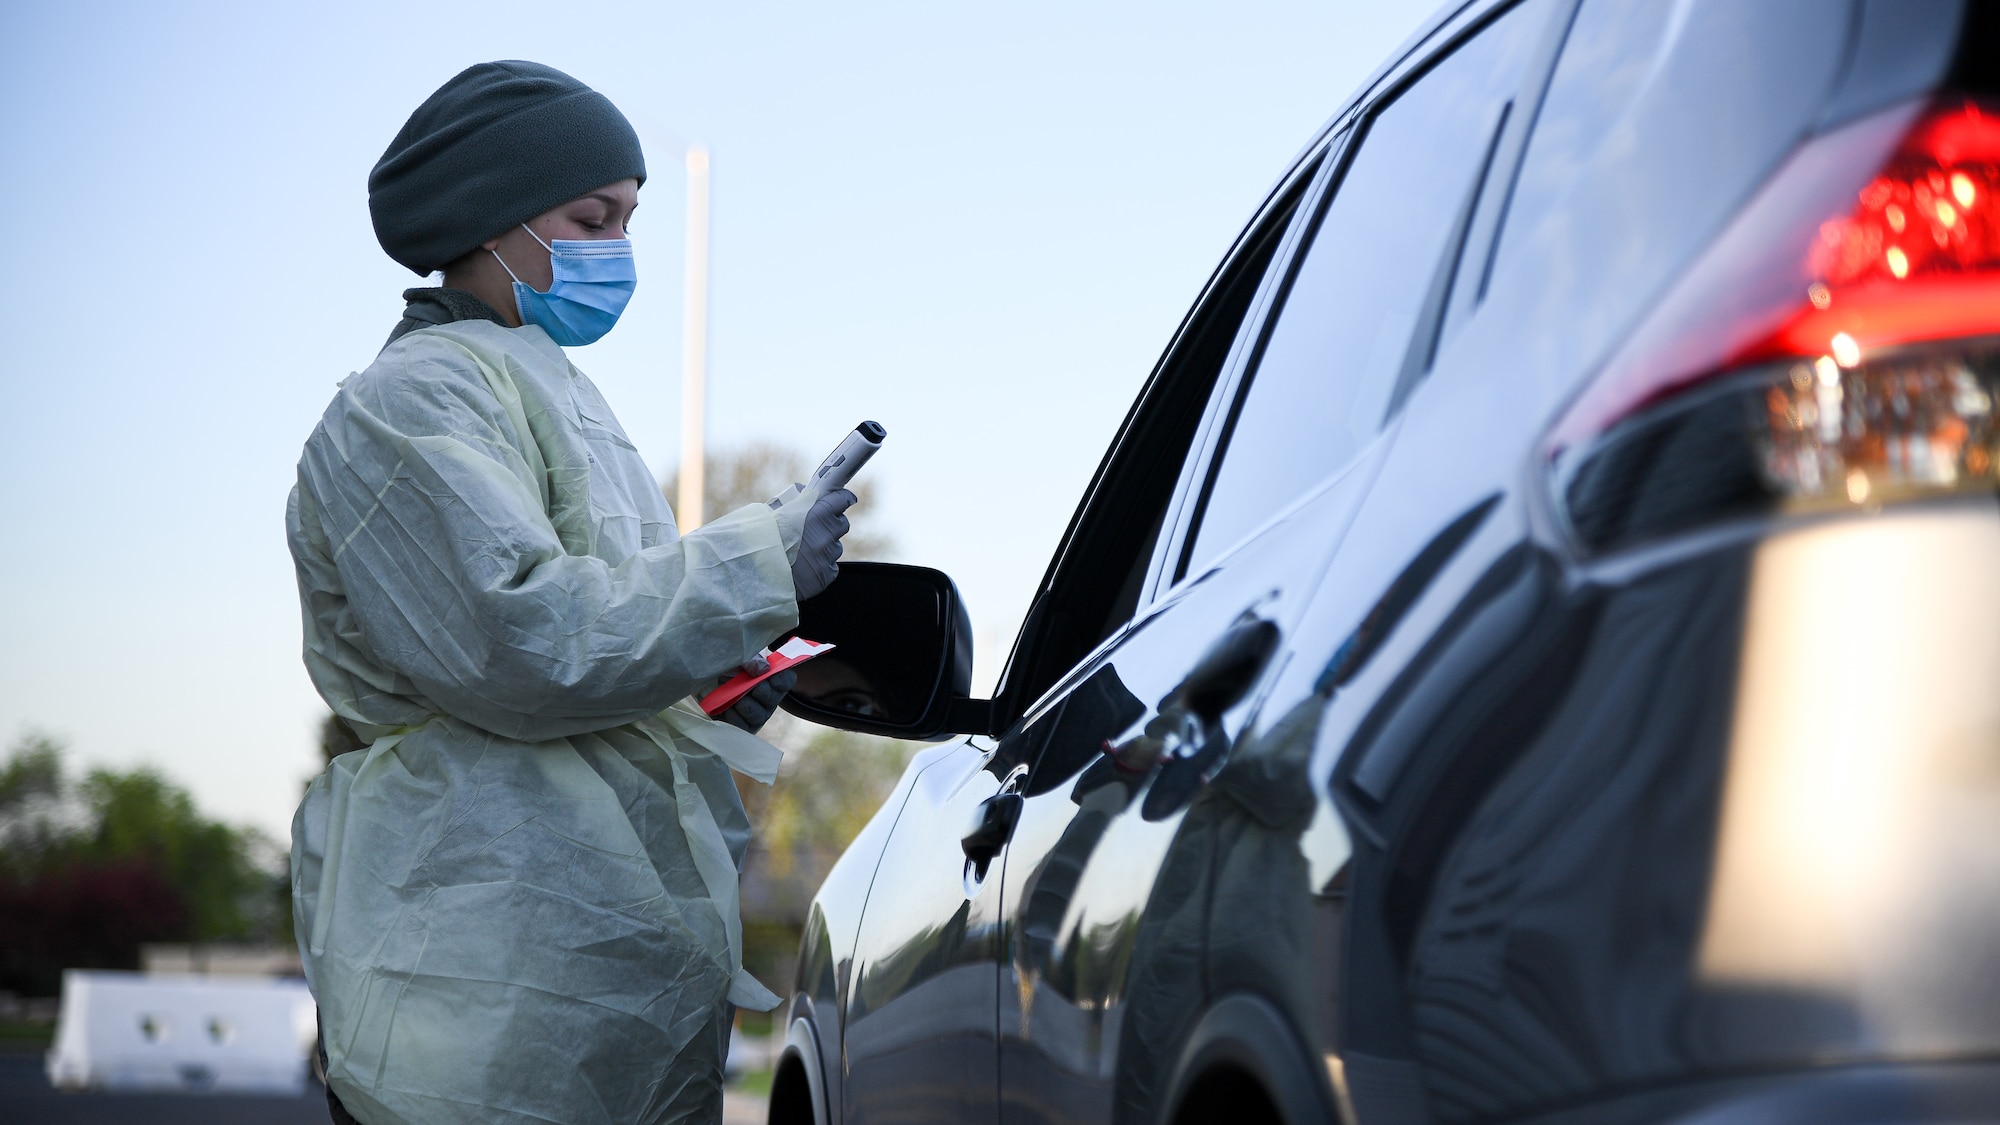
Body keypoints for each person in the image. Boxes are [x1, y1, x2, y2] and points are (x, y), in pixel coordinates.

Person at [286, 61, 855, 1125]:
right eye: (591, 216)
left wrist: (718, 681)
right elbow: (521, 643)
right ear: (489, 215)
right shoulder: (406, 404)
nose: (617, 251)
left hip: (587, 981)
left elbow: (603, 646)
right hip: (475, 978)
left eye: (630, 220)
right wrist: (755, 564)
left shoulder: (540, 383)